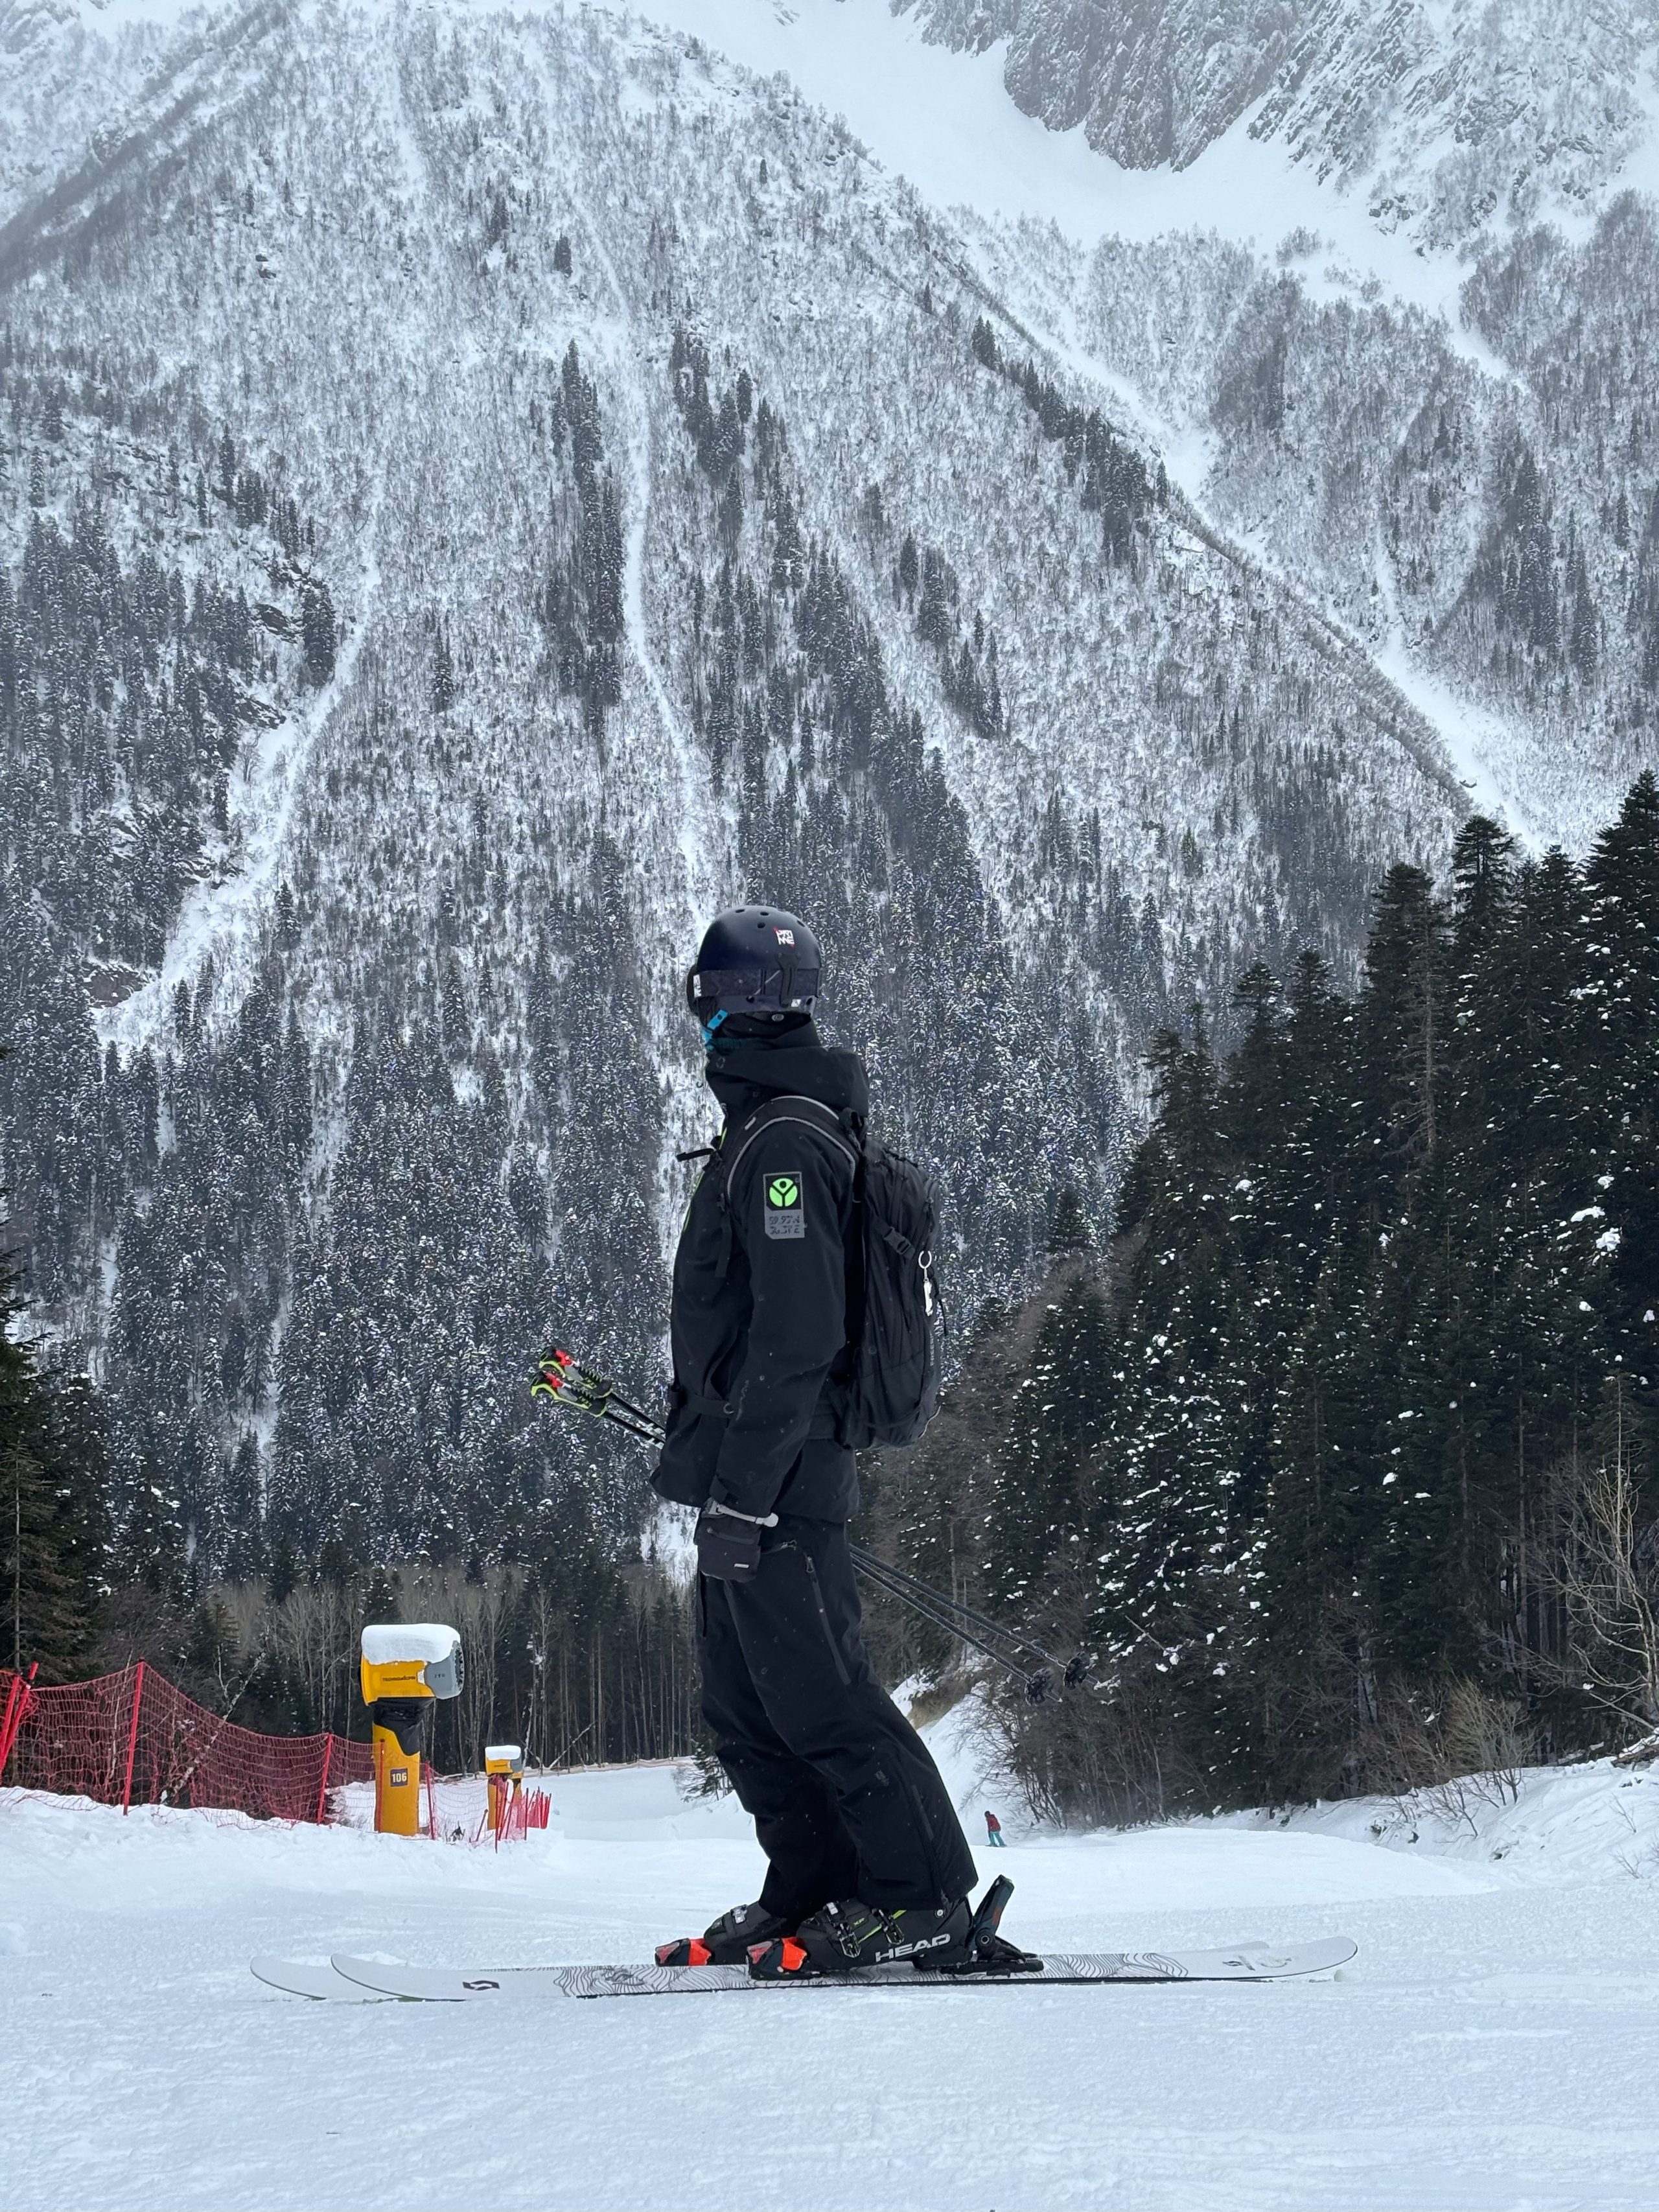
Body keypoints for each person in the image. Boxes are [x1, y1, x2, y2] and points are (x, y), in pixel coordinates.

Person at [651, 905, 979, 1979]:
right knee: (745, 1705)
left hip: (782, 1476)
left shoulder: (785, 1141)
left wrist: (746, 1495)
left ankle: (921, 1896)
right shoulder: (766, 1127)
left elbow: (799, 1338)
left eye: (702, 1000)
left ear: (729, 1010)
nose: (695, 1021)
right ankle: (812, 1881)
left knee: (822, 1696)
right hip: (744, 1471)